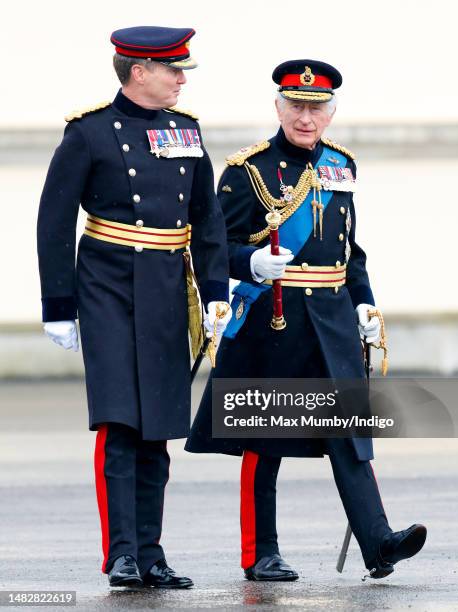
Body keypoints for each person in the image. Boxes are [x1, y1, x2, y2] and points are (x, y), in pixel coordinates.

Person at [186, 59, 426, 581]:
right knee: (264, 440)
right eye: (296, 106)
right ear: (278, 107)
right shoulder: (246, 170)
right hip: (272, 320)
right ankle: (260, 552)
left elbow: (349, 250)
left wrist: (364, 302)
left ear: (331, 113)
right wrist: (248, 263)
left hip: (332, 320)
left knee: (349, 433)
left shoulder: (342, 164)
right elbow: (210, 246)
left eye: (317, 108)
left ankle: (379, 543)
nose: (306, 117)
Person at [37, 26, 231, 589]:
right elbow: (54, 221)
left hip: (167, 289)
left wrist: (215, 293)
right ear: (138, 71)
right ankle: (120, 553)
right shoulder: (89, 133)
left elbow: (207, 219)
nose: (181, 78)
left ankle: (151, 552)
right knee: (120, 422)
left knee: (158, 431)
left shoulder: (186, 131)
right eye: (172, 69)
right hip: (107, 286)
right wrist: (58, 304)